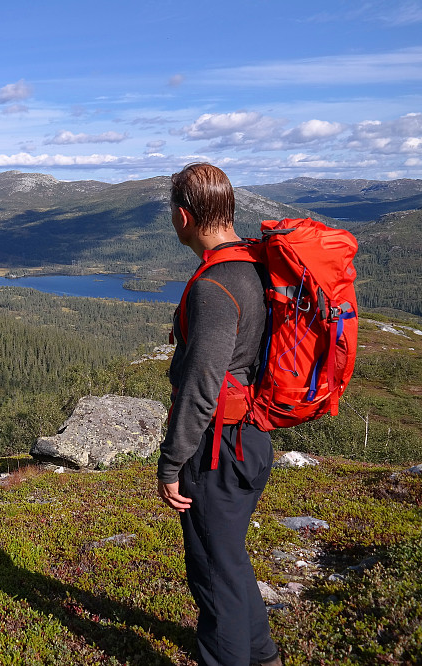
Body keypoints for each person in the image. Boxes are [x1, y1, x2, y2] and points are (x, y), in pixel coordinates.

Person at [157, 163, 283, 666]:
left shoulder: (214, 287)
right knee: (229, 564)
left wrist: (170, 464)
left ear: (184, 216)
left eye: (172, 212)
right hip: (249, 439)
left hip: (216, 452)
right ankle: (264, 656)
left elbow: (201, 386)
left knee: (213, 576)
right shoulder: (254, 265)